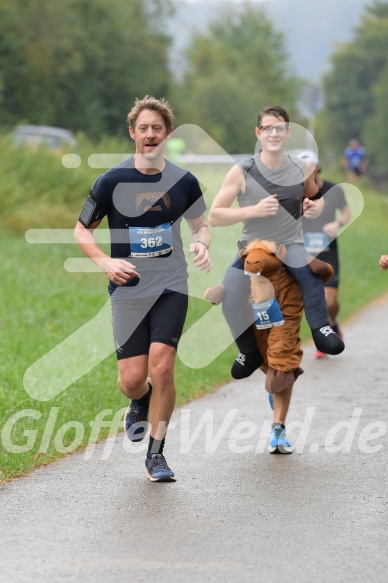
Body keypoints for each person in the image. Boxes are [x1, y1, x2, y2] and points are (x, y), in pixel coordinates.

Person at [74, 96, 211, 482]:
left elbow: (201, 225)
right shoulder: (112, 180)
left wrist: (201, 241)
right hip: (129, 288)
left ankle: (156, 454)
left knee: (163, 365)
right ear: (132, 132)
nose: (150, 135)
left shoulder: (183, 181)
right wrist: (105, 261)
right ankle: (141, 398)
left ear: (168, 133)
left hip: (171, 285)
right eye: (144, 128)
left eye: (158, 128)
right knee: (131, 380)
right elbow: (81, 229)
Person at [209, 104, 344, 453]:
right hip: (253, 253)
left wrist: (312, 207)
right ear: (258, 134)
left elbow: (313, 198)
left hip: (291, 249)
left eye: (279, 128)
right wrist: (253, 210)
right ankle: (247, 354)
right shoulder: (243, 171)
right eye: (267, 128)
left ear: (286, 133)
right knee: (230, 295)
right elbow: (216, 215)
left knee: (309, 286)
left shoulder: (299, 168)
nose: (273, 133)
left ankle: (322, 331)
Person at [300, 151, 351, 359]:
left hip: (328, 249)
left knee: (330, 301)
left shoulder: (333, 189)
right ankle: (322, 340)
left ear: (318, 166)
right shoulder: (295, 192)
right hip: (304, 251)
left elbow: (346, 212)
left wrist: (337, 223)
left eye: (310, 165)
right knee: (312, 299)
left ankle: (333, 322)